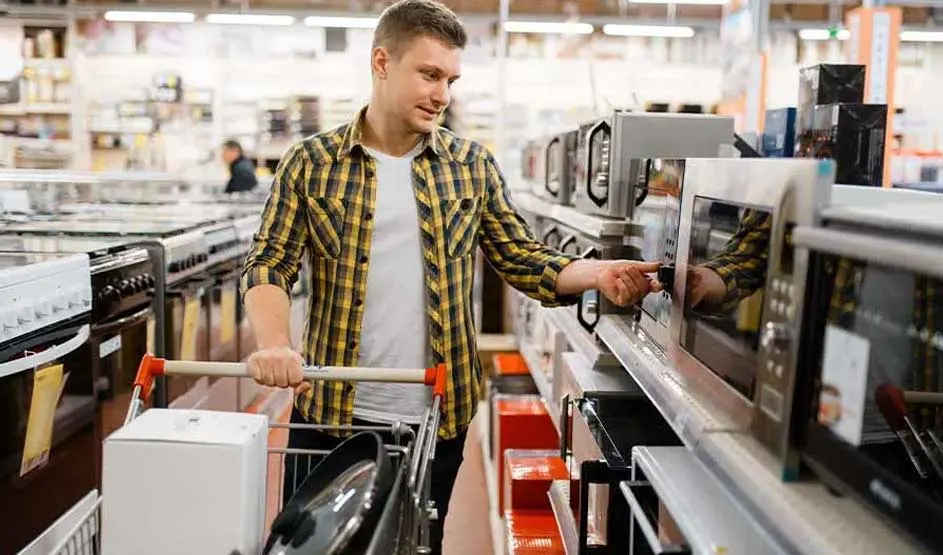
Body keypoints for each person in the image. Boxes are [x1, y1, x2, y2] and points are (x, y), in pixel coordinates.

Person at [239, 1, 660, 552]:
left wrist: (600, 272)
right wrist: (275, 344)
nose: (442, 94)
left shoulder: (471, 166)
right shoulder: (311, 163)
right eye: (430, 74)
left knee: (418, 545)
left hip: (437, 417)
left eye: (451, 79)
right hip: (329, 415)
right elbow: (270, 262)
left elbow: (525, 260)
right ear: (382, 62)